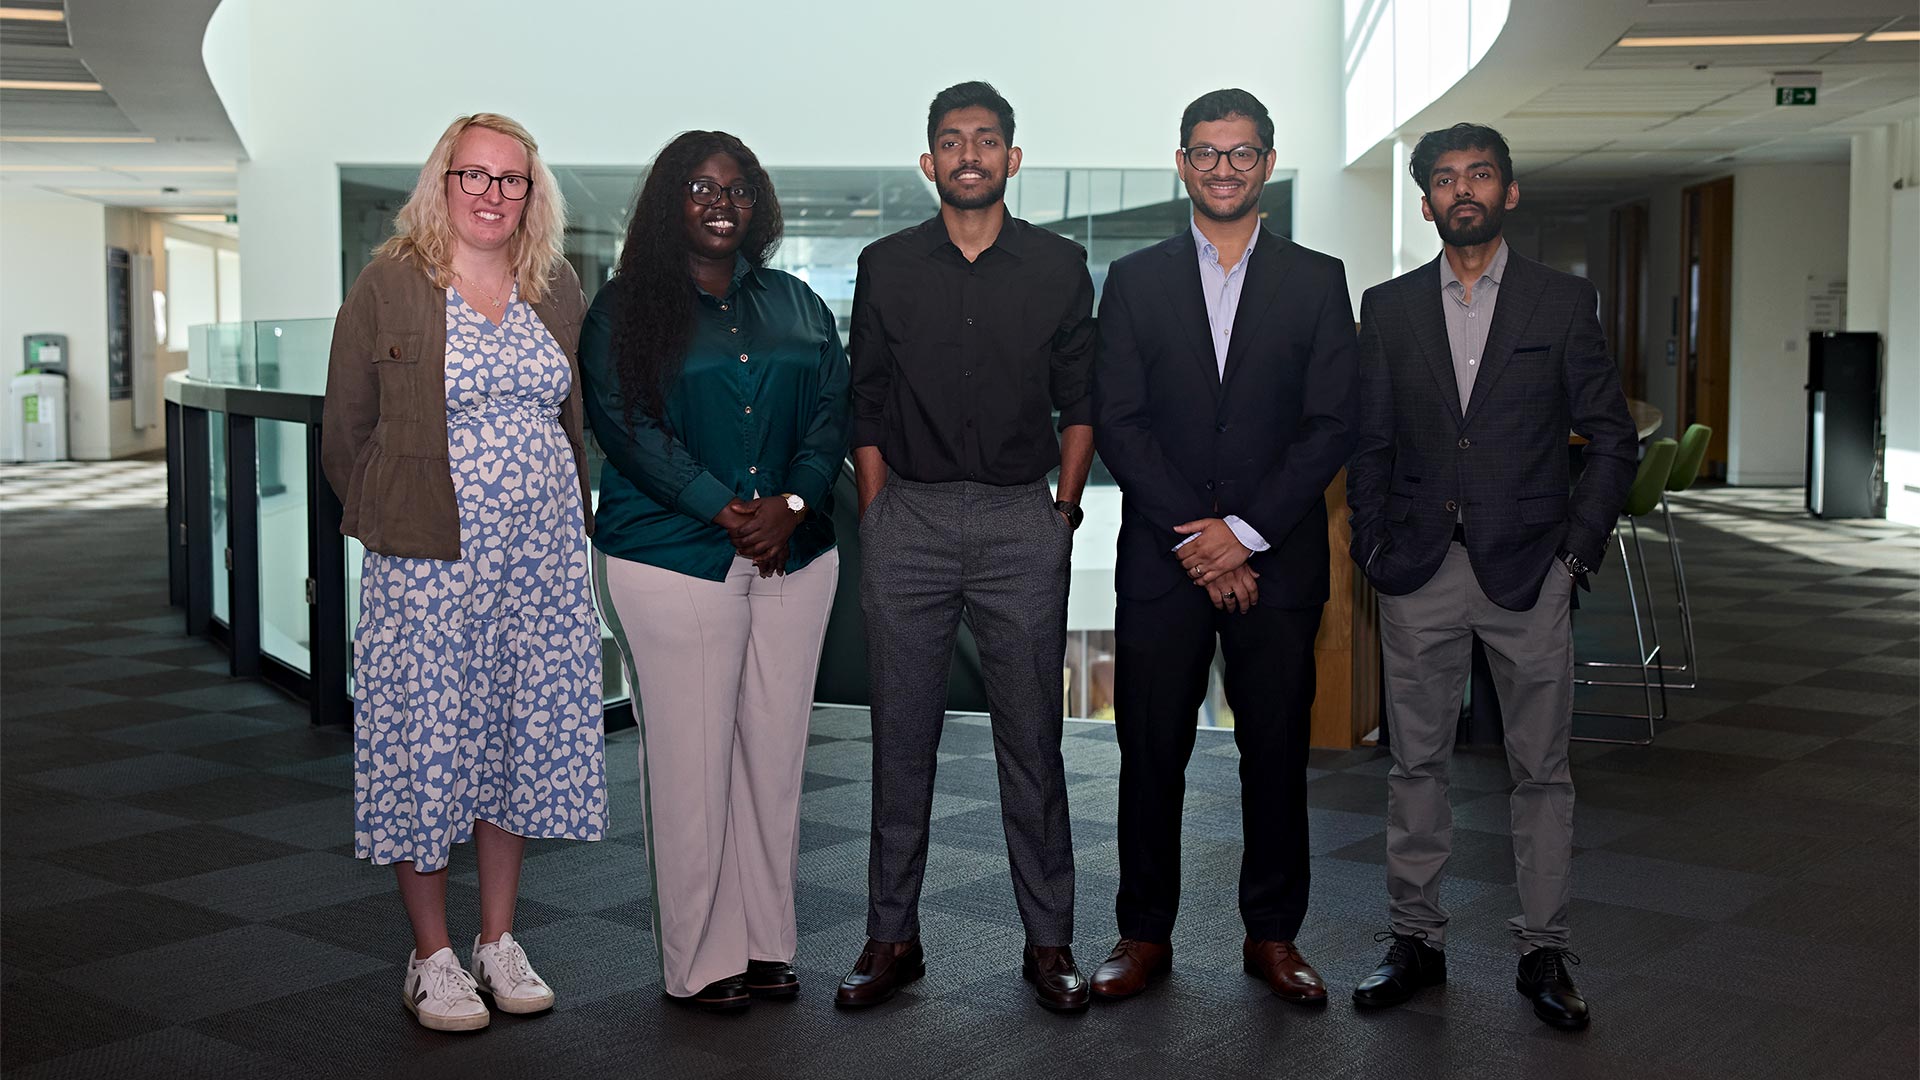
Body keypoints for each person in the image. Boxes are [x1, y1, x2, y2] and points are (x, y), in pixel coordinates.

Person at [1345, 122, 1636, 1031]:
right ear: (1425, 199)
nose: (1460, 190)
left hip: (1531, 570)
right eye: (1442, 178)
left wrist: (1575, 555)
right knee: (1415, 765)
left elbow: (1612, 438)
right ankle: (1416, 942)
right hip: (1418, 572)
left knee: (1540, 771)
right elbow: (1372, 440)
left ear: (1510, 192)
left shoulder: (1561, 303)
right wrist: (1371, 549)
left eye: (1478, 176)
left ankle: (1542, 951)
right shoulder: (1388, 308)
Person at [321, 112, 606, 1033]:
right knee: (428, 748)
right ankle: (432, 956)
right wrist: (392, 531)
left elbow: (574, 415)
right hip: (430, 568)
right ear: (442, 181)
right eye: (474, 176)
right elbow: (346, 432)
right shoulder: (391, 282)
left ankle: (497, 941)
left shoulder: (554, 284)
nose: (492, 194)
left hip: (542, 565)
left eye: (510, 180)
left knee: (515, 742)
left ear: (533, 192)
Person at [1088, 88, 1357, 1006]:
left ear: (1267, 165)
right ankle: (1142, 933)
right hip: (1162, 566)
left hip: (1275, 563)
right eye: (1207, 152)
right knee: (1150, 751)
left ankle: (1274, 936)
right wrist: (1198, 541)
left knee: (1275, 755)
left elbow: (1331, 425)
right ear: (1182, 164)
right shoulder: (1133, 280)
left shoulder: (1319, 279)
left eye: (1242, 153)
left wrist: (1240, 536)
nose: (1224, 168)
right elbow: (1119, 422)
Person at [834, 80, 1095, 1013]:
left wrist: (1059, 512)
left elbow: (1082, 400)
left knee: (1034, 743)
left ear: (1012, 159)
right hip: (909, 520)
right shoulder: (884, 263)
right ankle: (891, 936)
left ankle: (1050, 942)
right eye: (952, 140)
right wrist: (877, 510)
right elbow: (863, 400)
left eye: (987, 139)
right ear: (929, 161)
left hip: (1022, 525)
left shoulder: (1062, 265)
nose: (970, 153)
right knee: (899, 741)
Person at [579, 131, 849, 1013]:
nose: (720, 200)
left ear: (758, 203)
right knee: (692, 765)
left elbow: (830, 412)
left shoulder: (799, 304)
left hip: (795, 557)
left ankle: (767, 942)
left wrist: (795, 505)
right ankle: (700, 959)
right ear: (670, 203)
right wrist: (727, 509)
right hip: (671, 557)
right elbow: (625, 427)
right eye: (699, 186)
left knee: (774, 759)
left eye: (736, 187)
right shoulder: (622, 309)